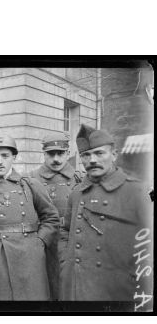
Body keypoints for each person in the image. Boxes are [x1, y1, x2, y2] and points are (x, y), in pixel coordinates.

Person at [60, 124, 153, 305]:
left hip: (117, 289)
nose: (92, 160)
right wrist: (65, 261)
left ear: (114, 155)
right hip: (76, 286)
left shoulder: (135, 190)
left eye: (99, 153)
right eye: (86, 155)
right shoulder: (77, 192)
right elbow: (64, 231)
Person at [0, 134, 59, 300]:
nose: (0, 161)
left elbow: (51, 218)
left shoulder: (30, 184)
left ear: (14, 157)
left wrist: (39, 242)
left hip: (30, 258)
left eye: (5, 156)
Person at [28, 132, 82, 300]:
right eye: (51, 154)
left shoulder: (78, 177)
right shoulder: (31, 178)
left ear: (68, 153)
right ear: (43, 154)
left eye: (61, 153)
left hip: (71, 239)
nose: (56, 159)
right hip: (44, 240)